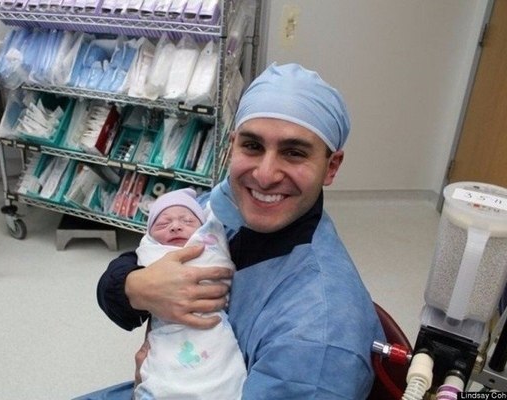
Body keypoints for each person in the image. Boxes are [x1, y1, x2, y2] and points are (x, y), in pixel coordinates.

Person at [86, 63, 385, 399]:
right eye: (253, 146)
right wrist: (134, 286)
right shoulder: (221, 206)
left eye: (294, 153)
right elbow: (142, 256)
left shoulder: (319, 335)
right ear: (232, 146)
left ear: (331, 167)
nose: (265, 175)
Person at [133, 188, 246, 400]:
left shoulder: (210, 243)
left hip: (213, 329)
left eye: (187, 221)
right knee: (161, 379)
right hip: (168, 332)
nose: (175, 226)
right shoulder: (152, 253)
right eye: (163, 224)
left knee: (223, 377)